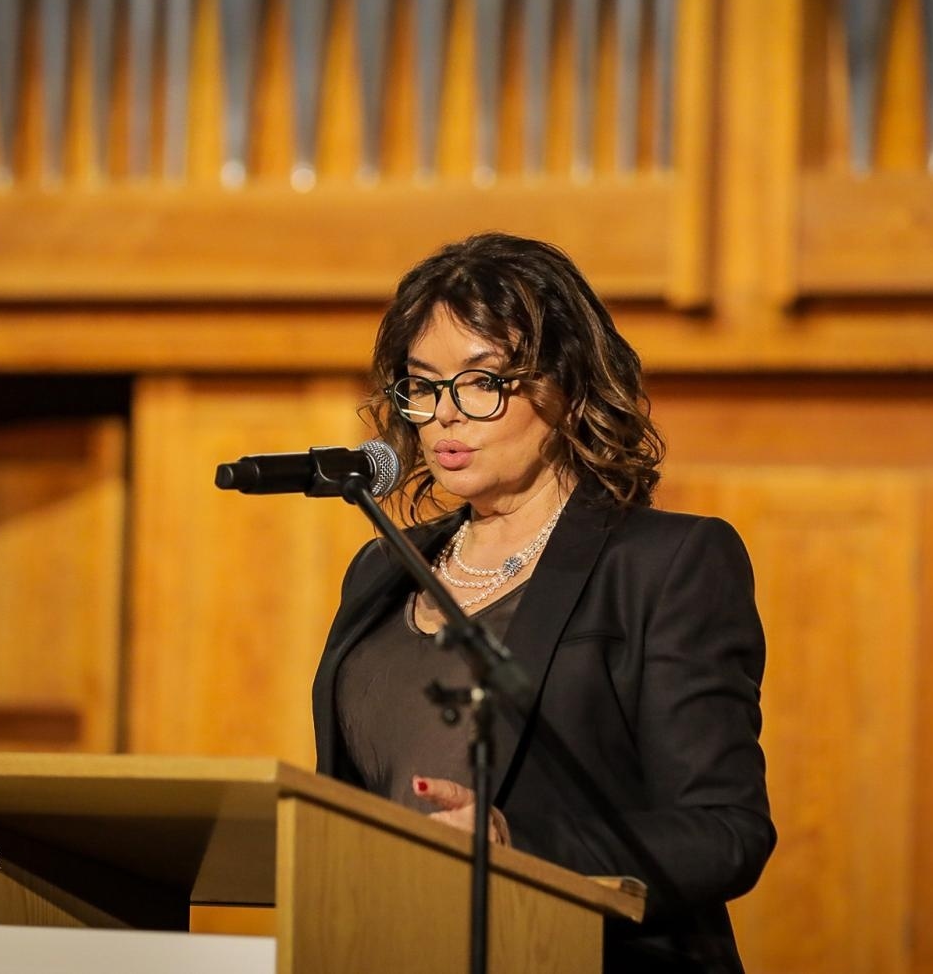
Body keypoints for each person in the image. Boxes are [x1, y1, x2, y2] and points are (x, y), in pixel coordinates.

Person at [311, 233, 774, 972]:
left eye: (482, 381)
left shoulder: (666, 565)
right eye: (423, 385)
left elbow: (725, 833)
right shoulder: (383, 568)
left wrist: (514, 846)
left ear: (569, 385)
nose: (444, 416)